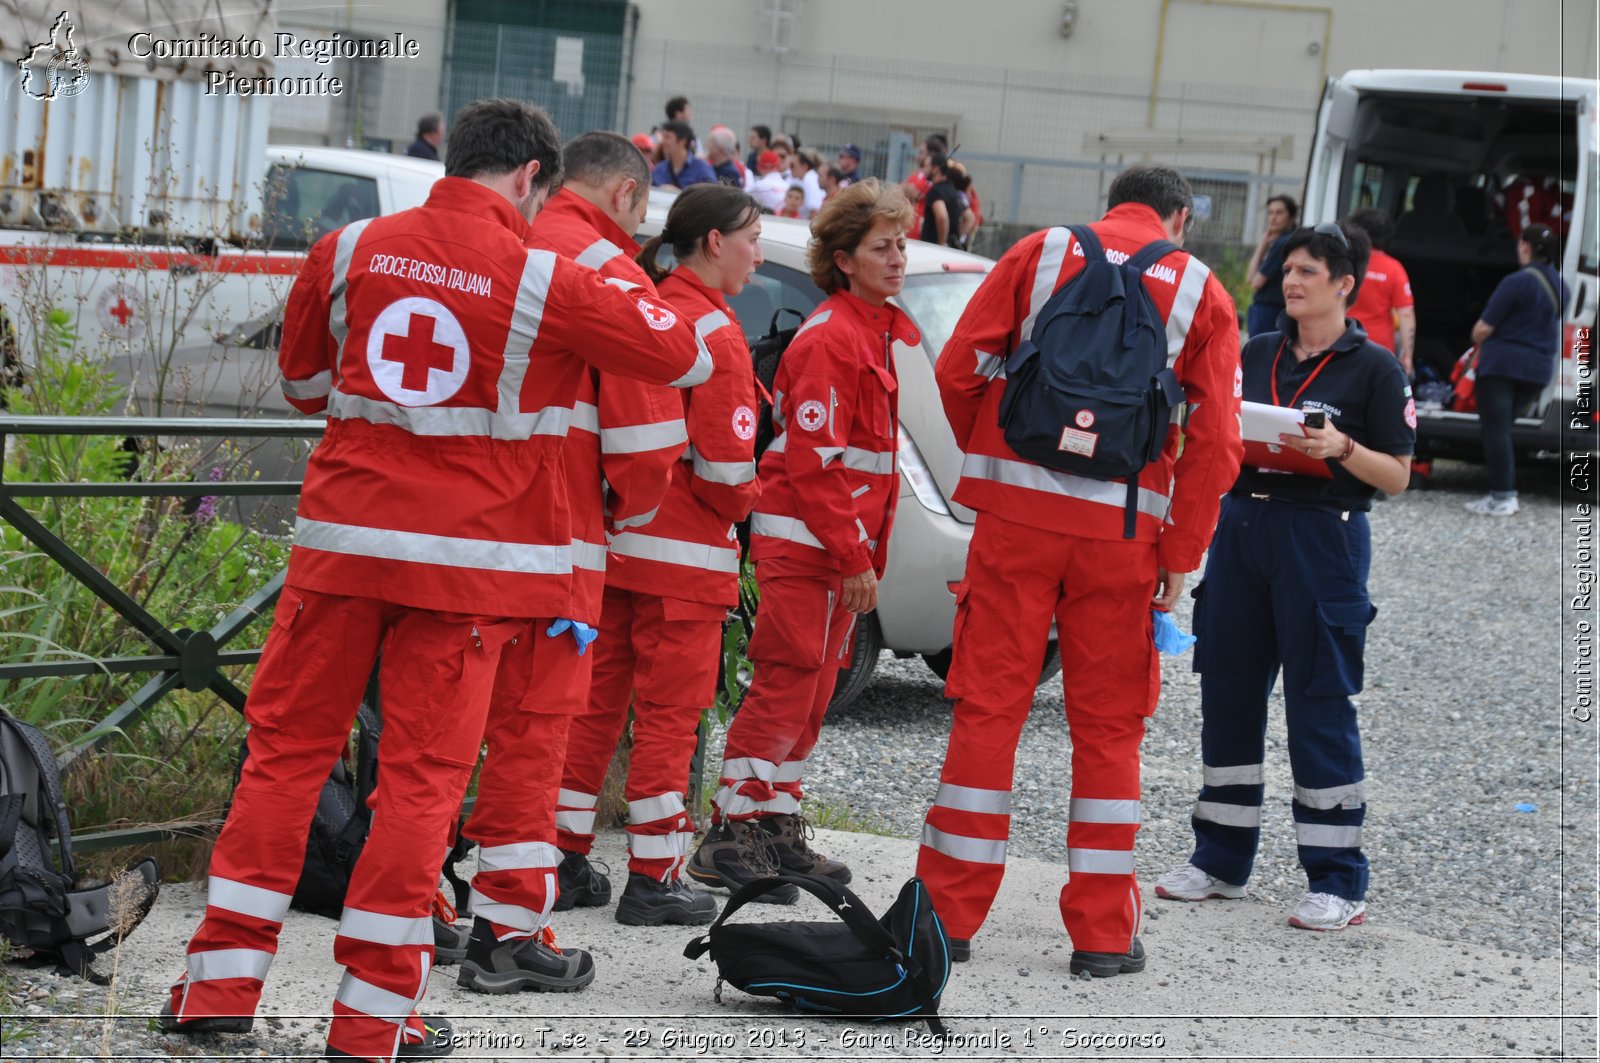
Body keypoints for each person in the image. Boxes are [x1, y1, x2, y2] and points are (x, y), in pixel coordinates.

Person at [159, 98, 712, 1062]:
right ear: (534, 178)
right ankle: (372, 1021)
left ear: (452, 158)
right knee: (420, 787)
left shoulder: (349, 248)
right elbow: (676, 349)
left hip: (341, 554)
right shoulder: (544, 273)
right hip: (471, 577)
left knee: (284, 759)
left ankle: (216, 987)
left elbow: (303, 385)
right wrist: (599, 269)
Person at [918, 164, 1244, 975]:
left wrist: (996, 463)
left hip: (1015, 525)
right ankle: (1101, 934)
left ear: (1111, 206)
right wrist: (1181, 557)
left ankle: (948, 921)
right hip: (1123, 538)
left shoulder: (1038, 251)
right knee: (1107, 729)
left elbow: (959, 369)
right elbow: (1217, 446)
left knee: (989, 708)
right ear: (1180, 218)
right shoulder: (1202, 290)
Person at [453, 131, 690, 995]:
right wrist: (626, 511)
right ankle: (507, 933)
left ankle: (422, 908)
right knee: (531, 733)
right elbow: (647, 439)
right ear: (627, 194)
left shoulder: (500, 240)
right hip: (556, 539)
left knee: (435, 736)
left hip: (451, 535)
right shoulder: (606, 270)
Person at [1154, 220, 1413, 934]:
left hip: (1320, 538)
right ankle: (1220, 858)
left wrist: (1342, 445)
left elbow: (1394, 475)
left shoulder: (1375, 369)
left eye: (1304, 271)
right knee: (1229, 696)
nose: (1289, 282)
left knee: (1318, 707)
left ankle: (1337, 880)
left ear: (1344, 285)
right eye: (1284, 271)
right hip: (1243, 529)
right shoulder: (1259, 349)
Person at [689, 179, 918, 902]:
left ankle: (774, 824)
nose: (899, 258)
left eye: (903, 243)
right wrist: (852, 555)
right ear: (844, 258)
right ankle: (729, 832)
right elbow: (818, 464)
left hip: (832, 547)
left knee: (812, 698)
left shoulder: (872, 330)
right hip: (808, 547)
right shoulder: (833, 338)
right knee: (787, 689)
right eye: (883, 246)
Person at [556, 184, 765, 927]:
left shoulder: (642, 305)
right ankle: (654, 873)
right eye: (751, 238)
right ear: (714, 242)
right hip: (686, 556)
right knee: (670, 716)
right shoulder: (717, 331)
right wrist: (748, 504)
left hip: (615, 546)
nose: (759, 253)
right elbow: (728, 469)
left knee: (592, 706)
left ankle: (563, 856)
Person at [1463, 223, 1567, 516]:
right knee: (1501, 429)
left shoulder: (1516, 282)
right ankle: (1500, 493)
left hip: (1502, 367)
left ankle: (1504, 495)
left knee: (1494, 430)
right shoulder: (1563, 285)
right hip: (1538, 370)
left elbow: (1484, 327)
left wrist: (1474, 336)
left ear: (1524, 246)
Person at [1344, 208, 1416, 374]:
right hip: (1379, 349)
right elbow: (1406, 315)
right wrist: (1407, 355)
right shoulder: (1394, 269)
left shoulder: (1344, 265)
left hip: (1342, 342)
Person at [1246, 194, 1297, 336]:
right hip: (1276, 310)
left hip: (1269, 311)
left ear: (1291, 216)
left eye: (1279, 212)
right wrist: (1264, 243)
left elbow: (1255, 281)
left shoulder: (1283, 243)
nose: (1273, 217)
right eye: (1270, 212)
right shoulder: (1283, 240)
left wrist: (1263, 244)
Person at [651, 120, 717, 190]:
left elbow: (712, 194)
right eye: (664, 137)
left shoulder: (701, 169)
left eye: (668, 137)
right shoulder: (660, 169)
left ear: (682, 141)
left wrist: (678, 193)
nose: (663, 141)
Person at [918, 153, 964, 248]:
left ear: (936, 169)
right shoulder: (952, 189)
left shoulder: (935, 191)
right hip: (951, 249)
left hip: (933, 250)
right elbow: (969, 218)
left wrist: (941, 244)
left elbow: (942, 217)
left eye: (927, 166)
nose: (924, 170)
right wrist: (955, 238)